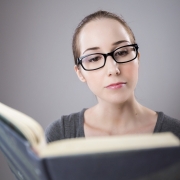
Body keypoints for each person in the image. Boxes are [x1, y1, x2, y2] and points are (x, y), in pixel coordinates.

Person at [45, 10, 180, 142]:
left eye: (121, 52)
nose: (113, 69)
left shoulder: (175, 133)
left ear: (137, 58)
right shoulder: (61, 135)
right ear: (80, 73)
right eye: (94, 59)